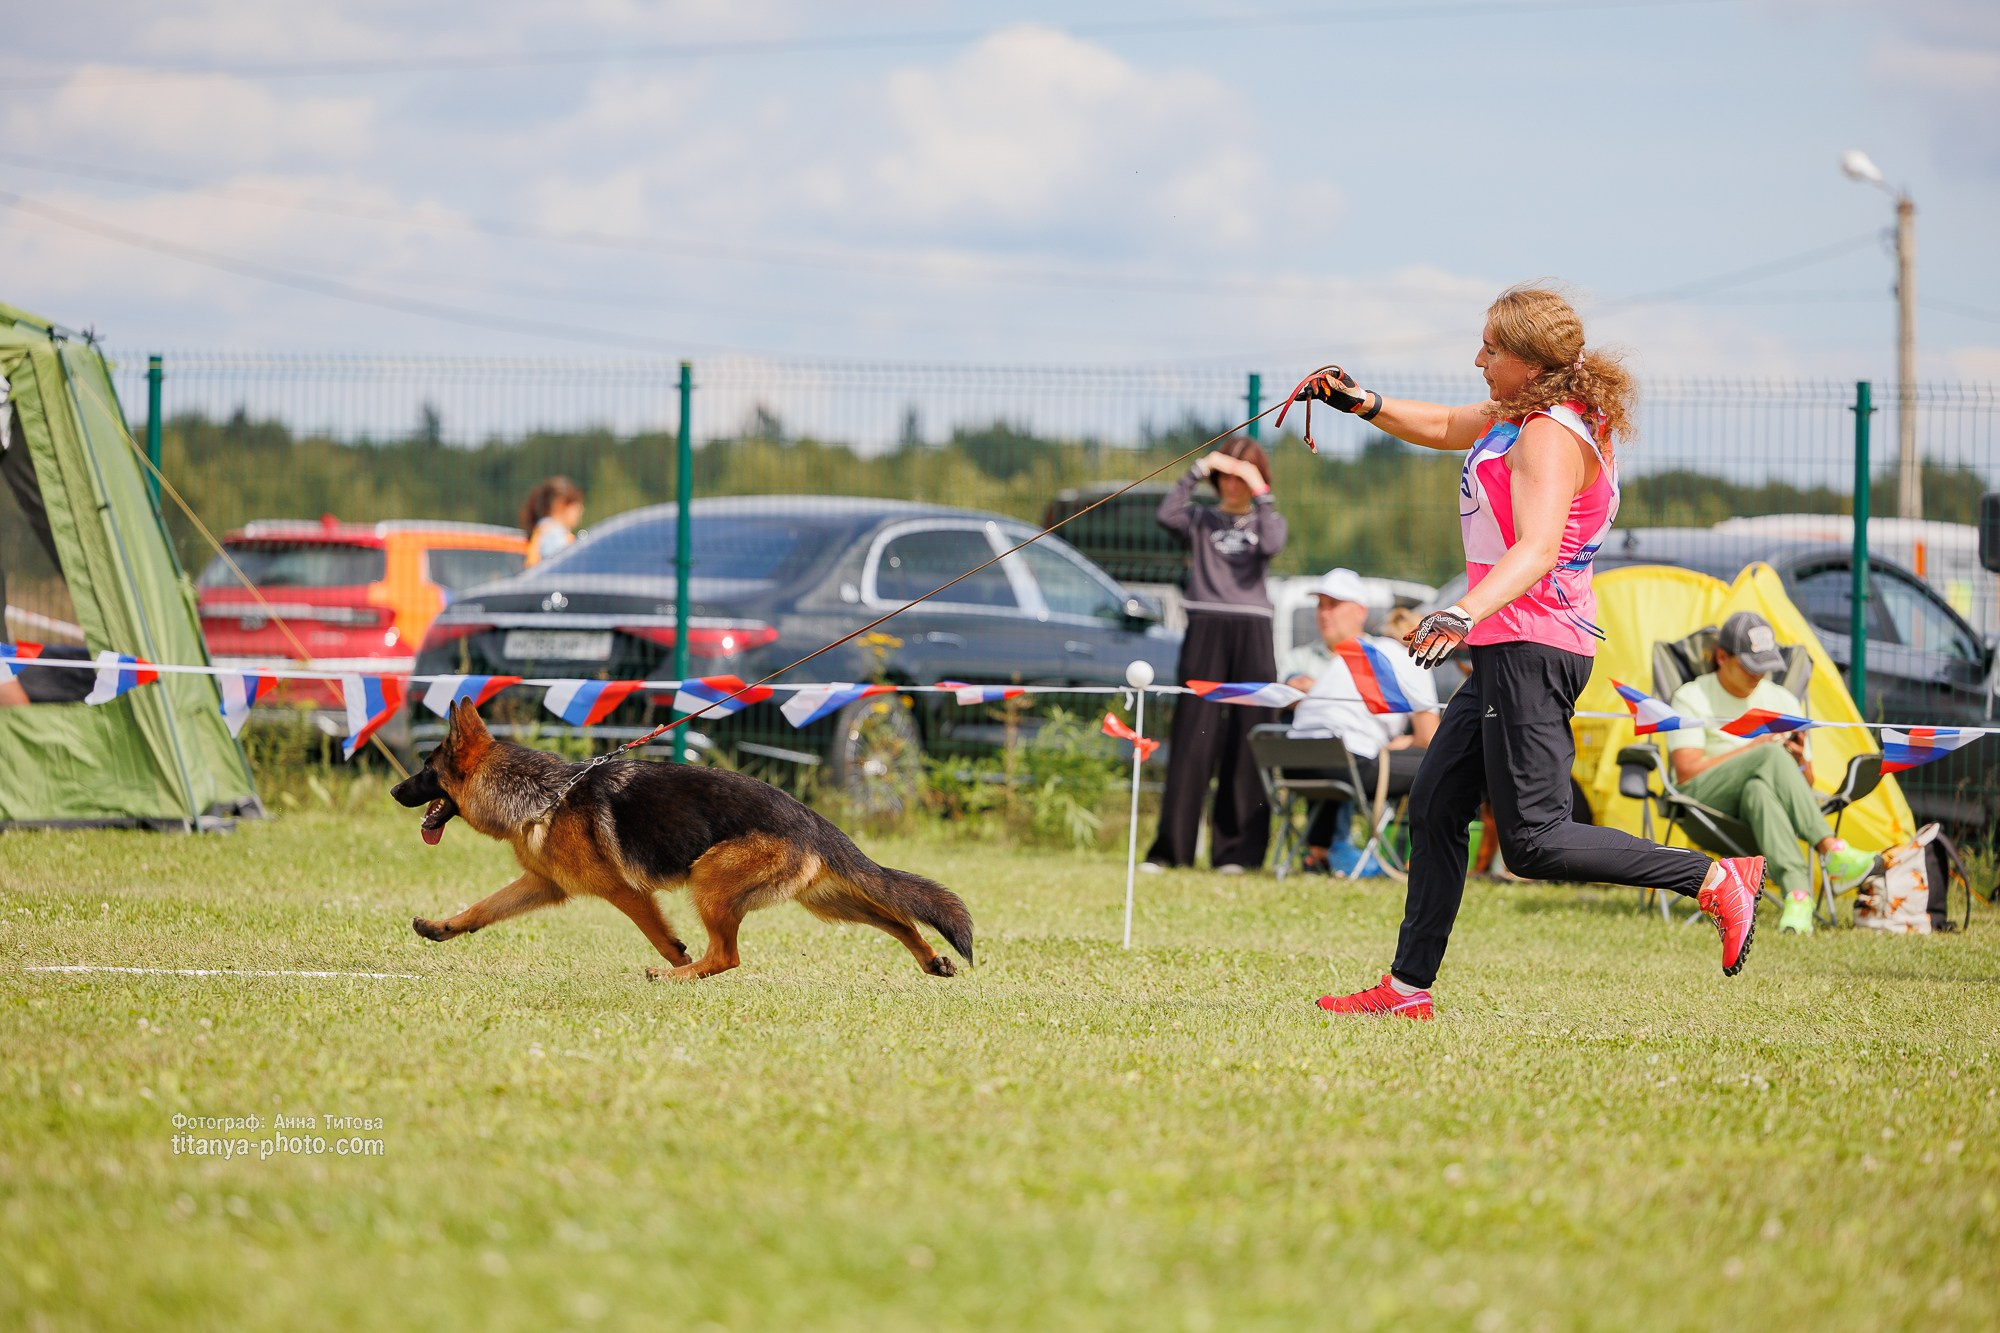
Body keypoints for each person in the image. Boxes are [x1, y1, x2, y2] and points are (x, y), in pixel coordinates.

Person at [1298, 284, 1767, 1020]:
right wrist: (1361, 402)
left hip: (1532, 644)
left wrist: (1461, 608)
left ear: (1527, 362)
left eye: (1491, 348)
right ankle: (1406, 990)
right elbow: (1450, 421)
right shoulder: (1529, 413)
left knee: (1535, 841)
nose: (1477, 358)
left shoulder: (1551, 434)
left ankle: (1713, 878)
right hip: (1506, 642)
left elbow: (1539, 547)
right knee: (1435, 806)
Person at [1667, 610, 1877, 935]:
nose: (1759, 676)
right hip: (1703, 802)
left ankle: (1798, 896)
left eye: (1765, 667)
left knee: (1758, 791)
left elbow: (1805, 784)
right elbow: (1686, 772)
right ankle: (1831, 850)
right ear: (1722, 656)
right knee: (1766, 754)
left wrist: (1799, 762)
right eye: (1751, 667)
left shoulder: (1783, 700)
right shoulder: (1691, 696)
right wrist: (1755, 748)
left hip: (1759, 808)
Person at [1142, 436, 1287, 873]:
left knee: (1250, 738)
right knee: (1192, 738)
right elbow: (1165, 514)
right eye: (1225, 477)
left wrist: (1258, 488)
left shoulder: (1264, 520)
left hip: (1252, 628)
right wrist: (1197, 470)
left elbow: (1273, 544)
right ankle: (1171, 851)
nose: (1231, 486)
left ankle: (1238, 853)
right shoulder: (1201, 520)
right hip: (1205, 626)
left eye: (1240, 479)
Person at [1281, 568, 1439, 871]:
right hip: (1344, 759)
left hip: (1293, 757)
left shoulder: (1352, 653)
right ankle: (1419, 859)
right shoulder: (1412, 659)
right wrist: (1406, 741)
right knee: (1444, 765)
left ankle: (1322, 852)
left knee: (1345, 755)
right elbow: (1430, 740)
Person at [520, 476, 585, 567]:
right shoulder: (554, 533)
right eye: (576, 505)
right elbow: (558, 567)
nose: (581, 510)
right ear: (560, 504)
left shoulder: (543, 528)